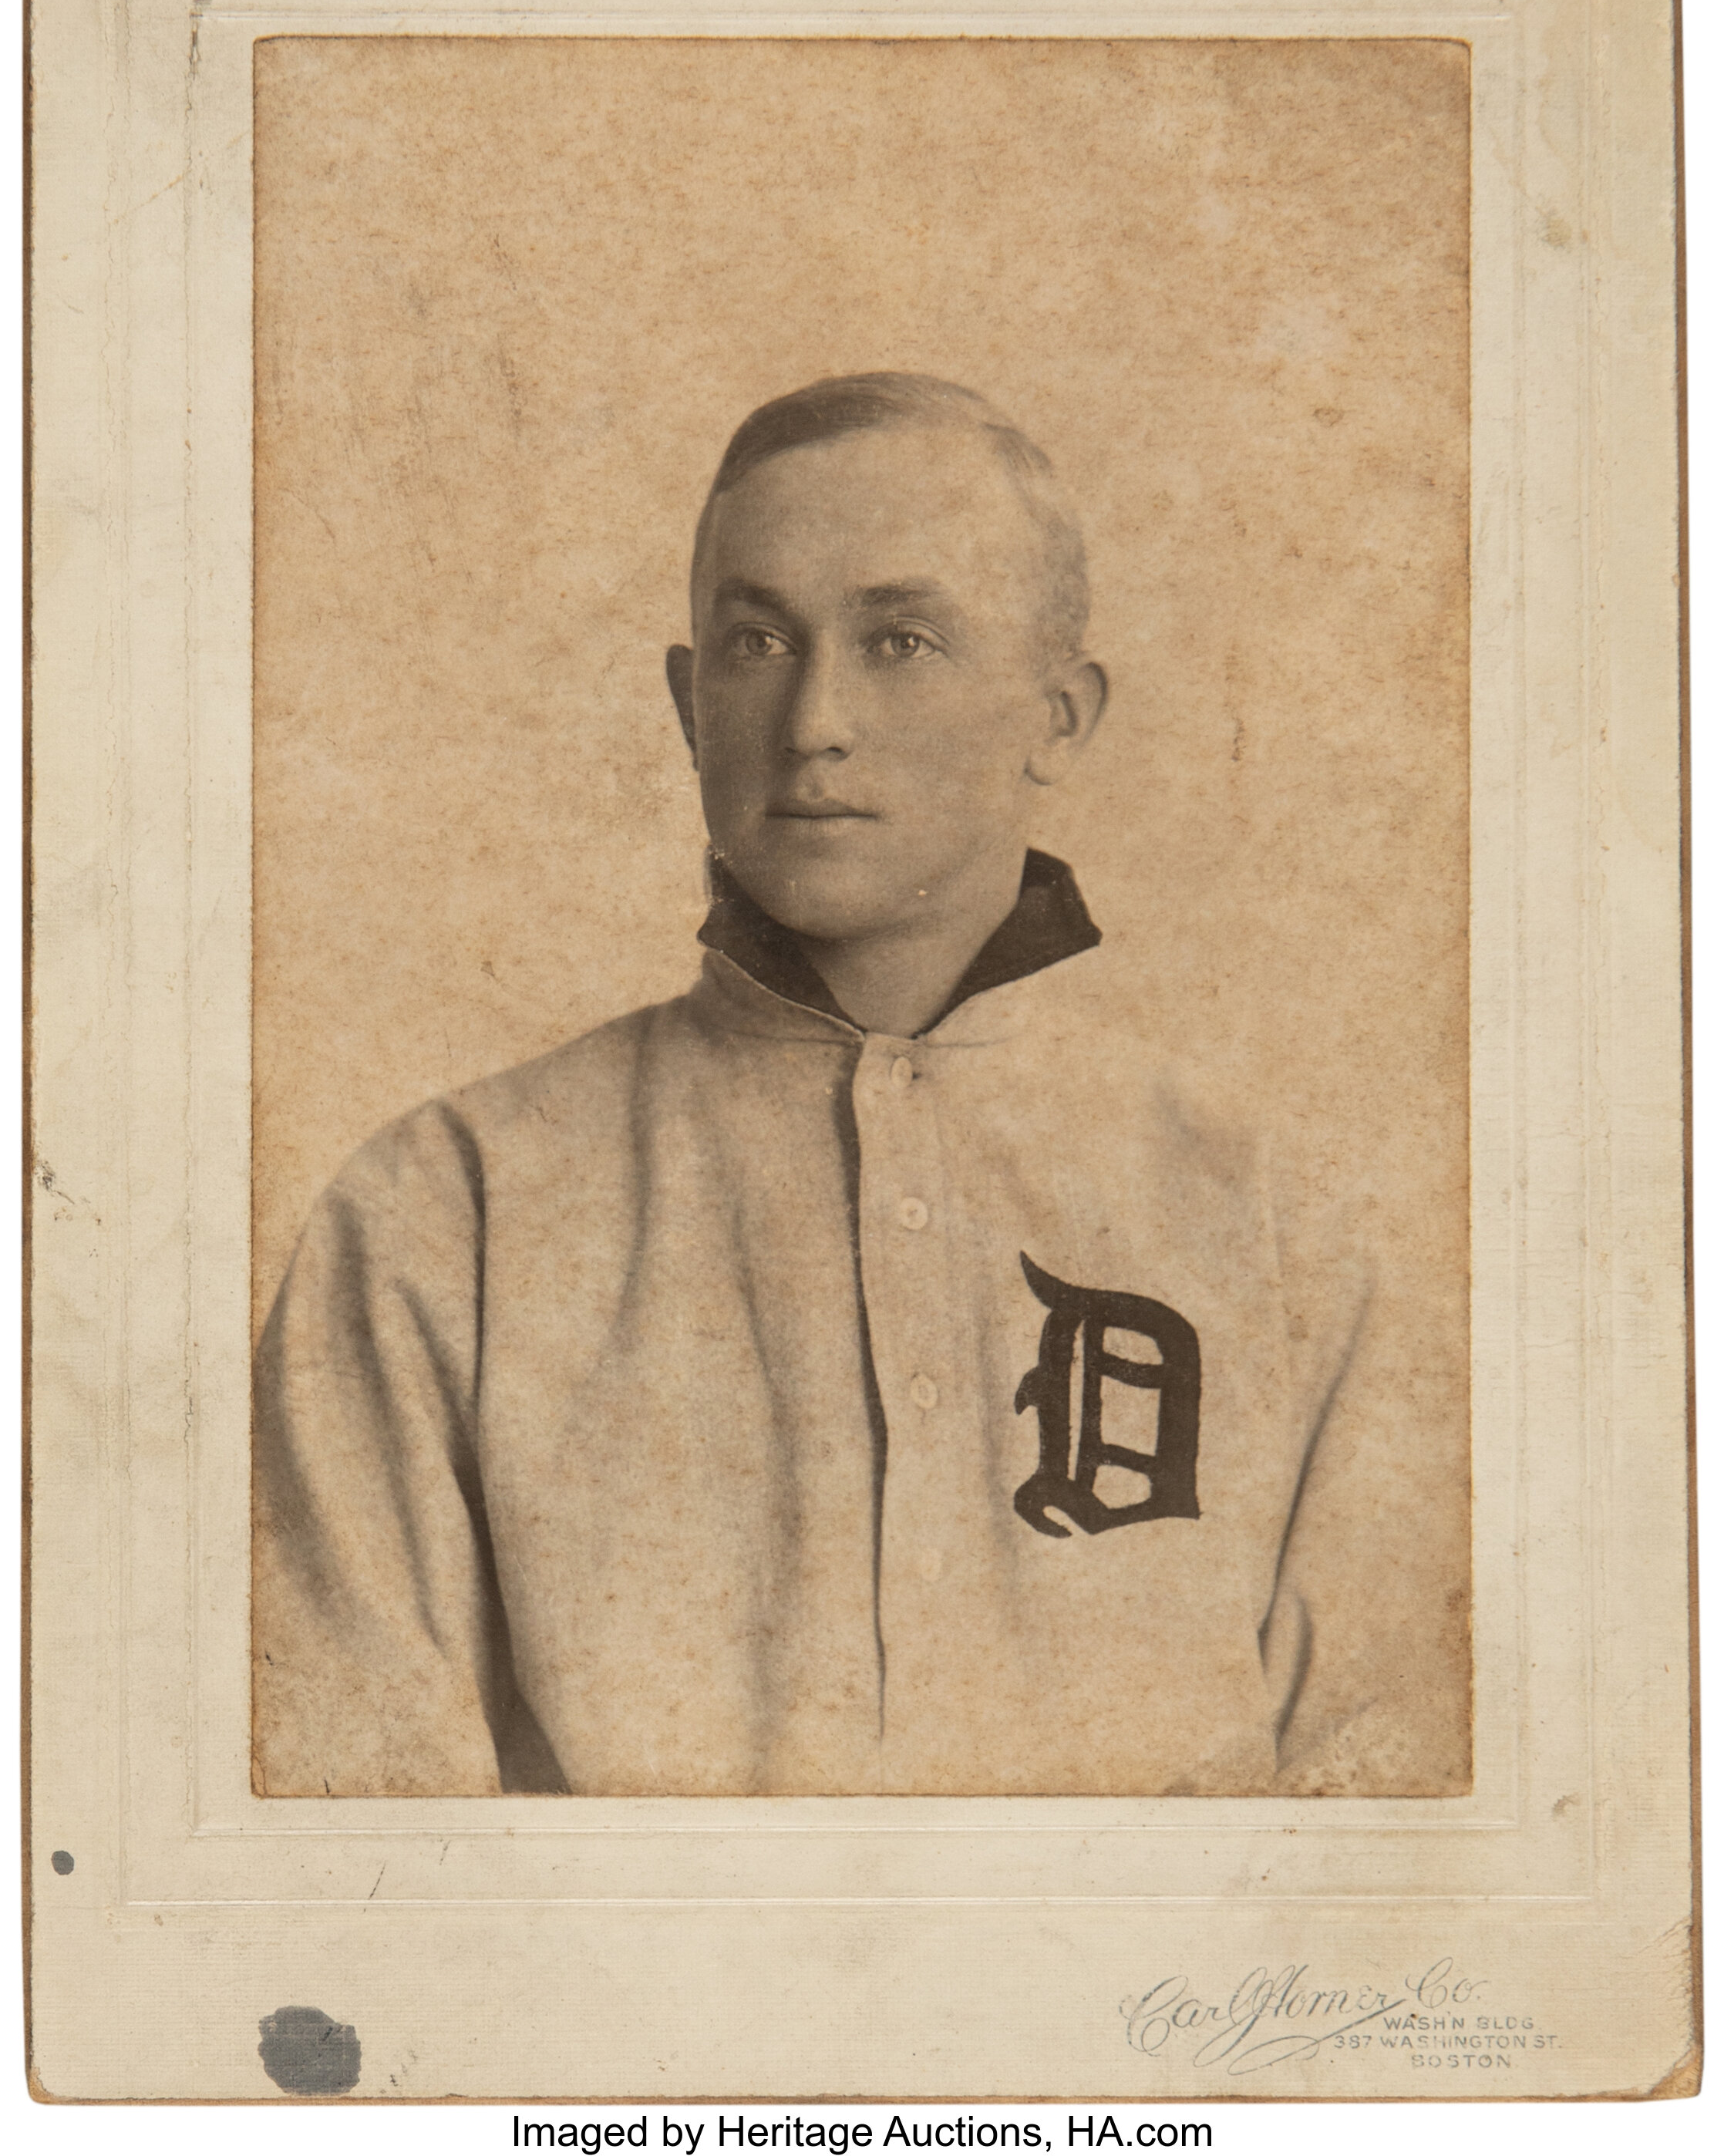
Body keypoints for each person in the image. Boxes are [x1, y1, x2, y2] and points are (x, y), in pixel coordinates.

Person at [253, 372, 1435, 1799]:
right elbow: (356, 1861)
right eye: (757, 640)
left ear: (1059, 717)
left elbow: (1388, 1841)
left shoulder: (1276, 1222)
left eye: (903, 640)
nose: (814, 718)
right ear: (692, 707)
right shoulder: (445, 1214)